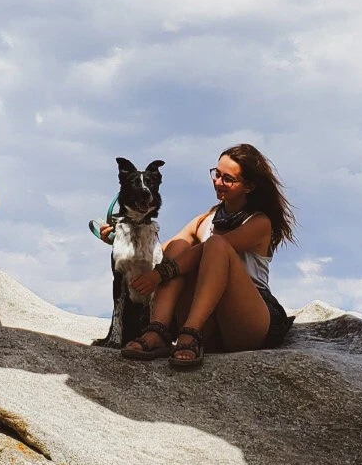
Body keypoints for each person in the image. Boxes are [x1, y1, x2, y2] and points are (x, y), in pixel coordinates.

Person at [121, 143, 295, 367]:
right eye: (217, 174)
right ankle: (158, 331)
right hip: (210, 324)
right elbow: (163, 250)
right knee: (179, 246)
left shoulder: (259, 223)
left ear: (249, 186)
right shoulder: (206, 219)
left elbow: (203, 252)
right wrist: (123, 238)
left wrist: (159, 275)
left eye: (228, 179)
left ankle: (190, 333)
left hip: (245, 319)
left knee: (215, 245)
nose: (218, 182)